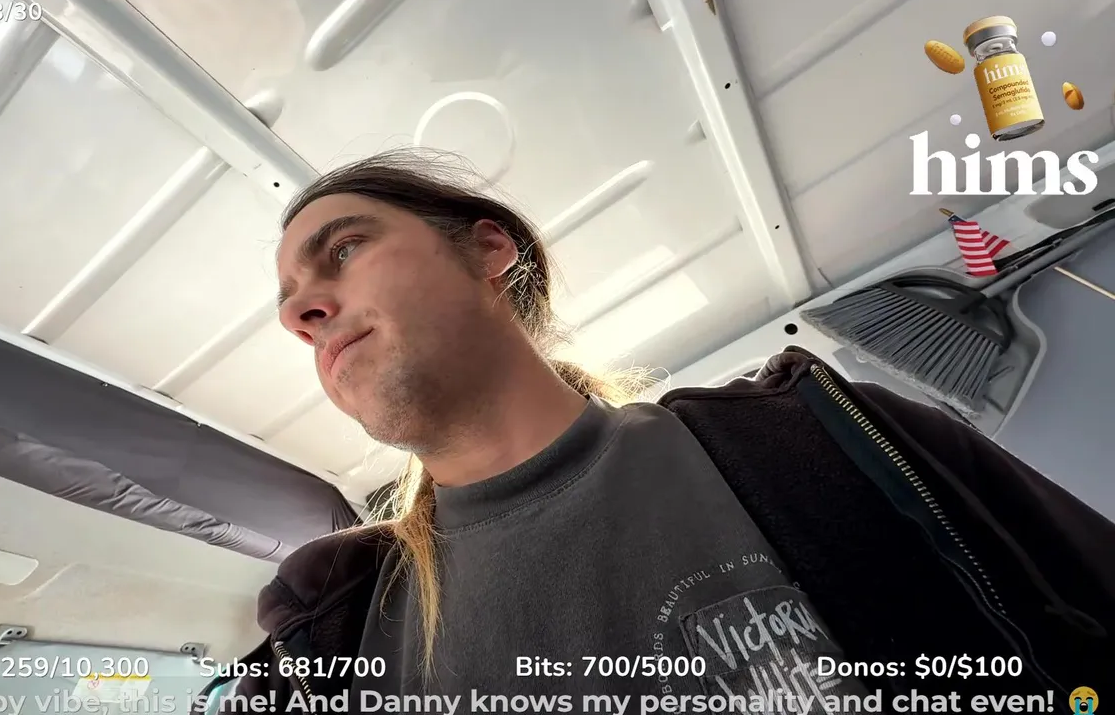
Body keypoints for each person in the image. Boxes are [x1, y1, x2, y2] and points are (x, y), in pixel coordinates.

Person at [225, 150, 1114, 713]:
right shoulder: (329, 627)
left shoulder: (830, 431)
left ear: (490, 250)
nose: (302, 313)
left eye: (344, 249)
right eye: (291, 306)